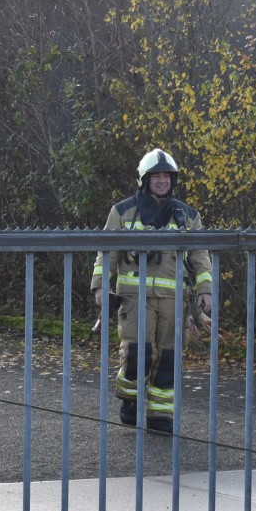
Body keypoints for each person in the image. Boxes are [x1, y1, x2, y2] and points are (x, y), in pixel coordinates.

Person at [90, 148, 213, 434]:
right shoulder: (123, 211)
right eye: (156, 176)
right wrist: (100, 284)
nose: (161, 180)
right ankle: (129, 399)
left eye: (166, 176)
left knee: (168, 359)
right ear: (145, 179)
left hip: (174, 300)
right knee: (138, 353)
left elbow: (200, 255)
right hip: (135, 298)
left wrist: (205, 289)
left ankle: (160, 416)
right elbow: (107, 251)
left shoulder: (188, 216)